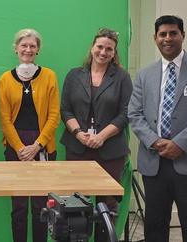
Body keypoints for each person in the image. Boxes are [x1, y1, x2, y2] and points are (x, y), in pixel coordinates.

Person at [128, 15, 187, 242]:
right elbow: (134, 113)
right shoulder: (144, 74)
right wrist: (155, 141)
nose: (167, 38)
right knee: (155, 225)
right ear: (155, 38)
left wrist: (179, 143)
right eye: (162, 34)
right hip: (154, 160)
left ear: (183, 35)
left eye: (173, 33)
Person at [60, 28, 132, 241]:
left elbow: (126, 112)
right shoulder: (74, 75)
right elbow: (65, 109)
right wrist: (78, 133)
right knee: (76, 207)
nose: (103, 52)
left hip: (110, 151)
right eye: (100, 47)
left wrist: (102, 136)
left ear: (114, 53)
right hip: (77, 148)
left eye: (109, 49)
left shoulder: (122, 77)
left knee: (107, 208)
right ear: (92, 48)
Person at [0, 29, 60, 242]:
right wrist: (20, 148)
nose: (28, 49)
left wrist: (37, 145)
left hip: (42, 145)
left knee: (41, 206)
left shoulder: (49, 76)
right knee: (19, 206)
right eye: (24, 45)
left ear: (38, 50)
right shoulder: (5, 79)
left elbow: (54, 116)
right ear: (16, 48)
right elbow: (4, 119)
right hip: (16, 147)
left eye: (32, 46)